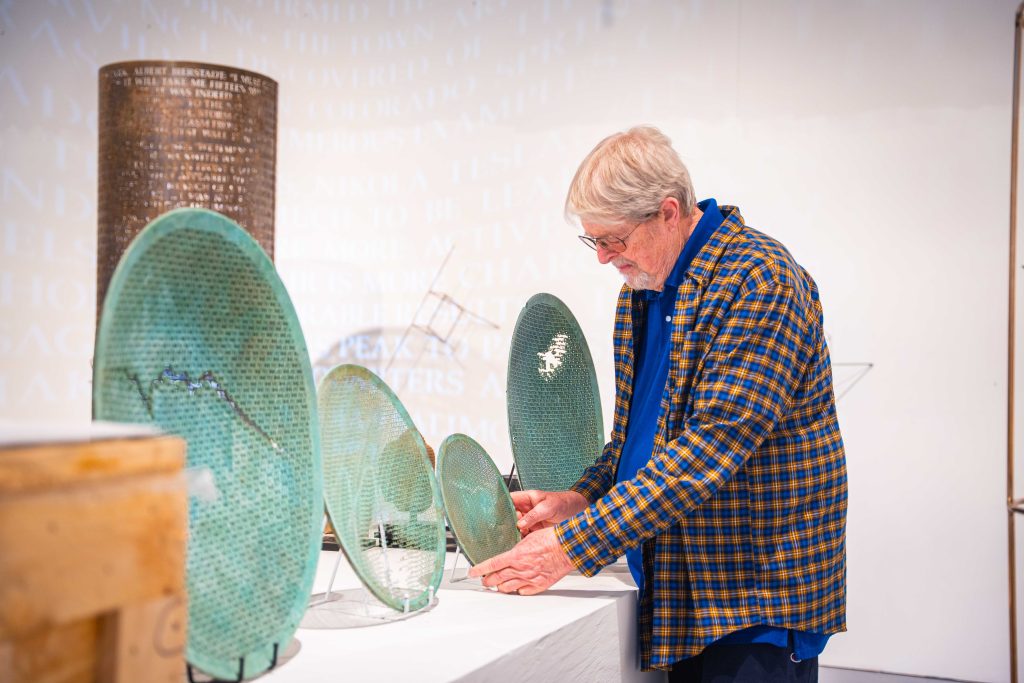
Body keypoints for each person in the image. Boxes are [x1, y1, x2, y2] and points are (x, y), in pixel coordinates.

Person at [468, 126, 848, 681]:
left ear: (668, 212)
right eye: (591, 241)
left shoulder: (761, 280)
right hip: (681, 594)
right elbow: (635, 437)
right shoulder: (644, 290)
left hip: (752, 601)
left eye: (613, 240)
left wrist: (568, 549)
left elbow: (708, 449)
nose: (602, 258)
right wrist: (580, 497)